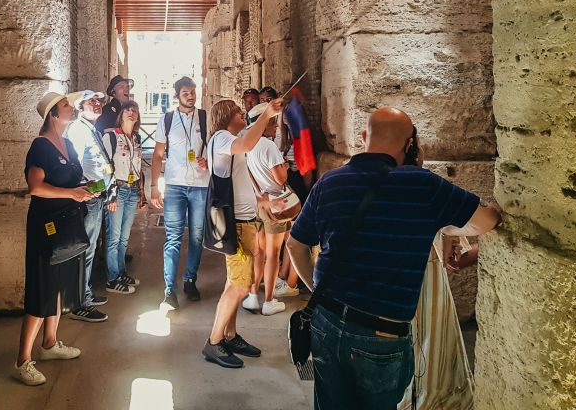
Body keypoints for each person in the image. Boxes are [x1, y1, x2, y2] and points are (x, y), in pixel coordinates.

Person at [287, 107, 501, 409]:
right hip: (381, 333)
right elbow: (487, 220)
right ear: (411, 145)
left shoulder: (329, 183)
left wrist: (316, 293)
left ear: (364, 138)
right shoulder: (424, 186)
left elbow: (295, 246)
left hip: (327, 321)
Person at [14, 92, 99, 386]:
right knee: (42, 288)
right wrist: (72, 193)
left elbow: (71, 181)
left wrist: (85, 188)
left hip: (68, 223)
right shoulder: (41, 147)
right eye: (66, 106)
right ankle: (23, 360)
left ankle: (49, 343)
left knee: (60, 286)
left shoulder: (69, 143)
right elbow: (35, 187)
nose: (72, 108)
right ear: (52, 114)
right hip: (46, 225)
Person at [201, 97, 283, 369]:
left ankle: (230, 334)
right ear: (227, 116)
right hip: (235, 224)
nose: (242, 114)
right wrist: (267, 112)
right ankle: (213, 343)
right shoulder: (222, 138)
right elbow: (248, 142)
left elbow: (242, 182)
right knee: (239, 285)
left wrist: (264, 203)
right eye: (238, 111)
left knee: (233, 282)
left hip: (245, 221)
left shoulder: (230, 141)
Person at [150, 76, 209, 309]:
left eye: (193, 92)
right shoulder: (167, 119)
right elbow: (157, 155)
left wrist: (209, 161)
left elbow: (215, 146)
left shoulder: (204, 118)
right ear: (177, 96)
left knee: (196, 236)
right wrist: (155, 186)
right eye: (186, 93)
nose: (191, 96)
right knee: (173, 237)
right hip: (175, 185)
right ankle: (169, 291)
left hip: (200, 185)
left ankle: (190, 280)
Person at [65, 90, 115, 322]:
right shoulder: (77, 130)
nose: (97, 104)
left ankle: (84, 294)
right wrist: (87, 191)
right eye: (91, 101)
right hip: (88, 199)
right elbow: (74, 166)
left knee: (90, 249)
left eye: (99, 101)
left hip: (96, 197)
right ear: (80, 107)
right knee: (84, 250)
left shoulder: (90, 129)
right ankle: (79, 303)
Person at [241, 102, 290, 316]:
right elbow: (280, 180)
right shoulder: (269, 147)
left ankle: (252, 296)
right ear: (266, 122)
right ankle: (269, 300)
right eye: (273, 122)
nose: (277, 127)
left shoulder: (248, 145)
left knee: (258, 252)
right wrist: (285, 168)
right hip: (275, 203)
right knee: (273, 253)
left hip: (257, 201)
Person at [101, 100, 145, 294]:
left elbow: (139, 166)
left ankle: (120, 272)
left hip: (133, 190)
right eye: (127, 109)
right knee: (113, 237)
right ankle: (112, 279)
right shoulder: (111, 136)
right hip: (117, 191)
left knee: (124, 238)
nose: (131, 112)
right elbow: (105, 167)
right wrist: (109, 195)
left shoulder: (137, 137)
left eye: (134, 110)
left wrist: (141, 191)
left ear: (137, 117)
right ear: (121, 114)